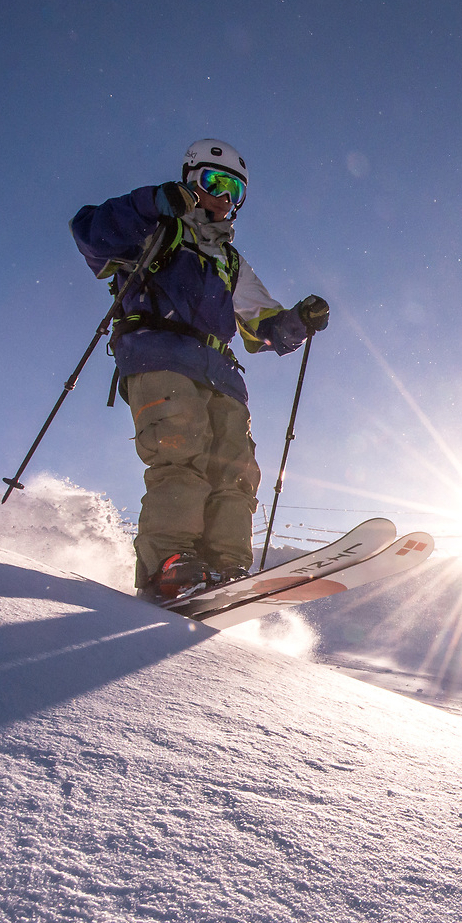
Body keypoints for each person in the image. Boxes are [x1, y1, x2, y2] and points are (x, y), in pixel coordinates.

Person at [70, 139, 331, 600]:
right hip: (158, 353)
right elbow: (91, 234)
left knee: (236, 468)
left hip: (221, 374)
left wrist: (298, 322)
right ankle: (170, 562)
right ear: (191, 180)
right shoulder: (156, 229)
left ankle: (226, 566)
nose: (223, 198)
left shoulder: (231, 262)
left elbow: (264, 328)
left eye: (235, 191)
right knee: (181, 448)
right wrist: (152, 204)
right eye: (214, 182)